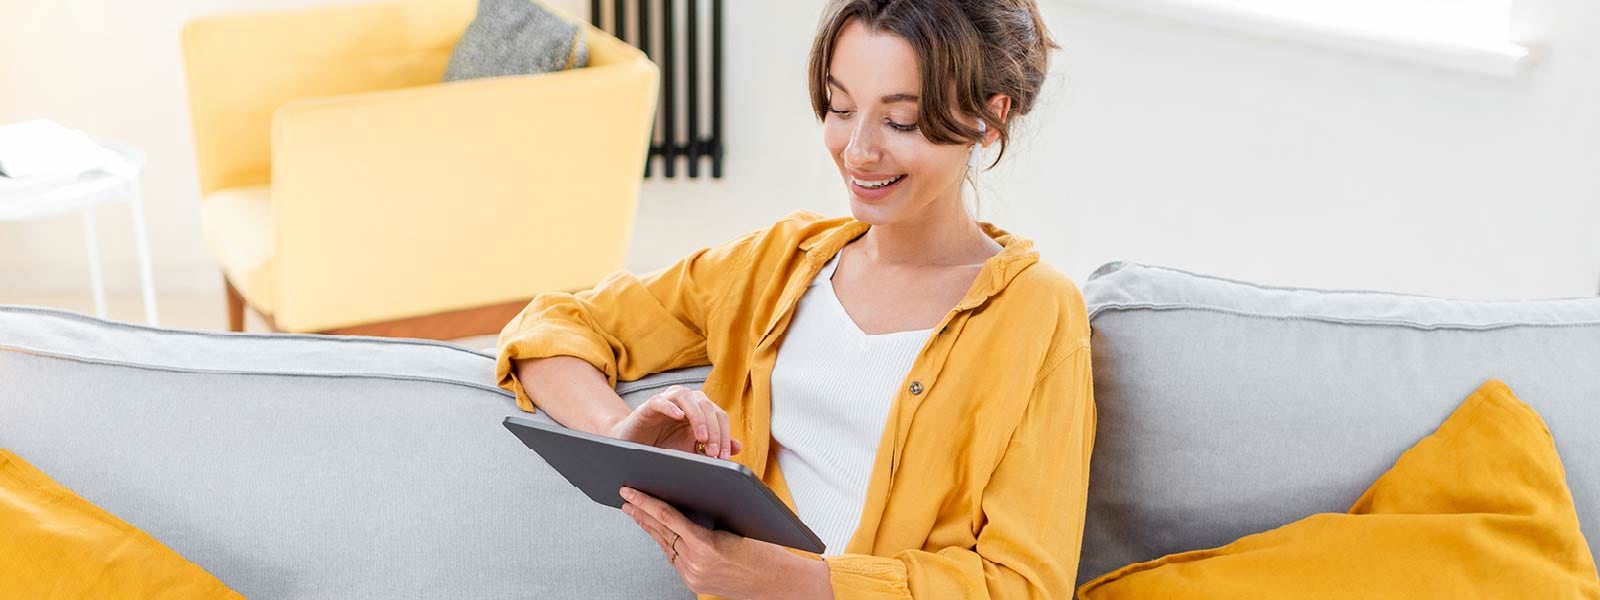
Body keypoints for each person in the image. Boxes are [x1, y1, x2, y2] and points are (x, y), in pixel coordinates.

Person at [495, 0, 1092, 597]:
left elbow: (1024, 584)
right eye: (840, 107)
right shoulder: (775, 266)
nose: (857, 150)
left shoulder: (1037, 312)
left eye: (902, 121)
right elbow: (553, 324)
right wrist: (618, 430)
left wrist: (786, 579)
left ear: (990, 119)